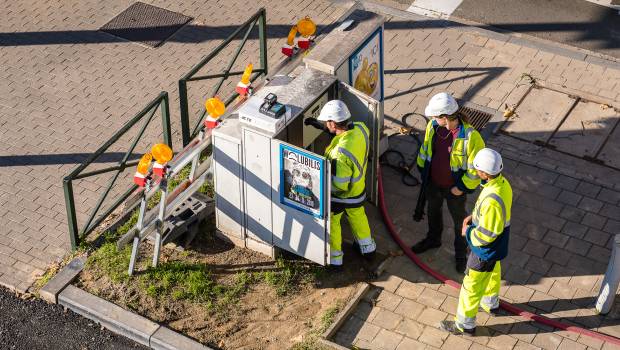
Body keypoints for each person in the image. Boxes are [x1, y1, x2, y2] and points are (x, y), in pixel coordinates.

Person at [440, 148, 512, 335]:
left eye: (478, 170)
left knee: (470, 287)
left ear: (484, 173)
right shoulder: (502, 185)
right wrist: (474, 216)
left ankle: (464, 325)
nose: (476, 172)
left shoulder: (491, 200)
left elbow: (485, 235)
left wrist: (468, 232)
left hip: (484, 251)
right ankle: (490, 304)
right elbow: (492, 216)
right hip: (496, 248)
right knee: (493, 274)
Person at [411, 92, 485, 273]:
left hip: (455, 191)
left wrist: (461, 188)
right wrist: (423, 171)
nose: (433, 119)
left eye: (436, 117)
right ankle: (433, 239)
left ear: (445, 117)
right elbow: (425, 150)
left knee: (460, 222)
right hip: (433, 184)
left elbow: (476, 169)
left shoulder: (471, 137)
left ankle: (461, 253)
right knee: (432, 211)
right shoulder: (433, 127)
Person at [305, 100, 376, 268]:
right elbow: (345, 135)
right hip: (358, 189)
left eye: (326, 122)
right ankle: (368, 249)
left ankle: (335, 259)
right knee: (358, 216)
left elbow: (339, 186)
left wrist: (321, 191)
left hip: (341, 195)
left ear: (333, 123)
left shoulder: (340, 155)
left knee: (333, 224)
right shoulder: (361, 128)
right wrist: (321, 127)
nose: (325, 124)